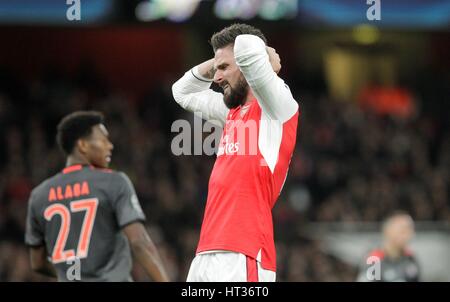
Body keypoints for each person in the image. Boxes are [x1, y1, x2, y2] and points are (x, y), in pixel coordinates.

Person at [172, 23, 299, 282]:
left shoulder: (279, 107)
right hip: (207, 251)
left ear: (247, 65)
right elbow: (181, 92)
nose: (216, 78)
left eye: (224, 68)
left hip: (244, 253)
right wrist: (219, 60)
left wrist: (265, 58)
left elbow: (248, 47)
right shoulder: (231, 112)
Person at [25, 111, 169, 282]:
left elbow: (37, 262)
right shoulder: (114, 181)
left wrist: (76, 276)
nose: (110, 145)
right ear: (83, 145)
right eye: (103, 139)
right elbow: (139, 242)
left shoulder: (39, 195)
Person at [357, 211, 420, 282]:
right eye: (403, 230)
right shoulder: (374, 259)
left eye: (410, 230)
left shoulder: (410, 259)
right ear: (388, 231)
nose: (409, 235)